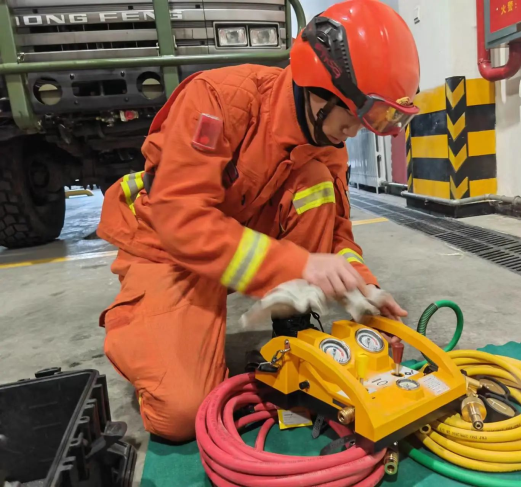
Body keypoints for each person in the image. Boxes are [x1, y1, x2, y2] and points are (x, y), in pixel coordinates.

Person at [97, 0, 420, 441]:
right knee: (180, 414)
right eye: (355, 115)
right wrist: (298, 267)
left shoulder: (326, 141)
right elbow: (182, 220)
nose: (356, 131)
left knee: (314, 181)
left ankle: (292, 325)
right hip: (169, 248)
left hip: (244, 246)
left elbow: (336, 234)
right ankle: (148, 320)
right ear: (320, 88)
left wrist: (362, 284)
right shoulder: (218, 101)